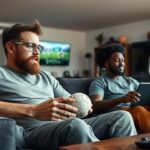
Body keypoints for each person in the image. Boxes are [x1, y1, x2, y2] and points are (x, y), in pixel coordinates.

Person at [0, 21, 137, 150]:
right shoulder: (2, 74)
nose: (37, 53)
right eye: (30, 46)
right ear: (11, 47)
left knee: (122, 117)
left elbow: (71, 100)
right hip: (31, 131)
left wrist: (83, 105)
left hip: (60, 124)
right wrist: (33, 110)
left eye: (39, 47)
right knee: (74, 125)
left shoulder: (45, 76)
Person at [89, 43, 150, 133]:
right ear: (106, 63)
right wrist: (121, 99)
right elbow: (95, 105)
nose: (122, 63)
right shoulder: (99, 82)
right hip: (118, 114)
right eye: (117, 60)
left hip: (134, 109)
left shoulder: (130, 80)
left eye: (123, 60)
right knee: (139, 110)